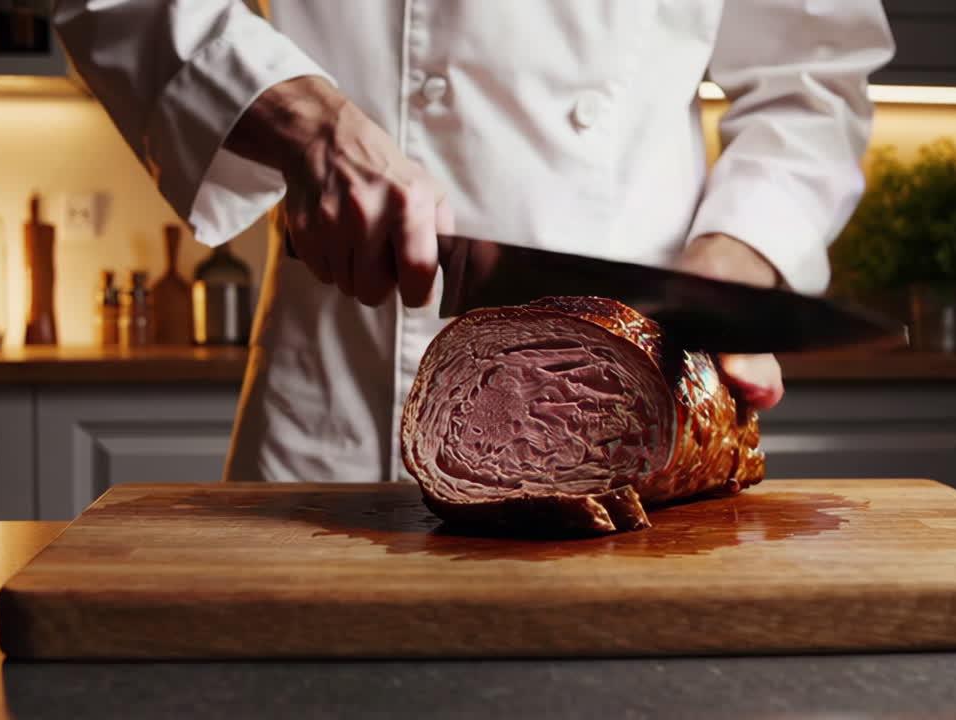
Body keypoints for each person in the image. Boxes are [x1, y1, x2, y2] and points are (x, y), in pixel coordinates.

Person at [52, 1, 895, 485]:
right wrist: (307, 122)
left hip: (633, 410)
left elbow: (812, 81)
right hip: (339, 399)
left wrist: (731, 263)